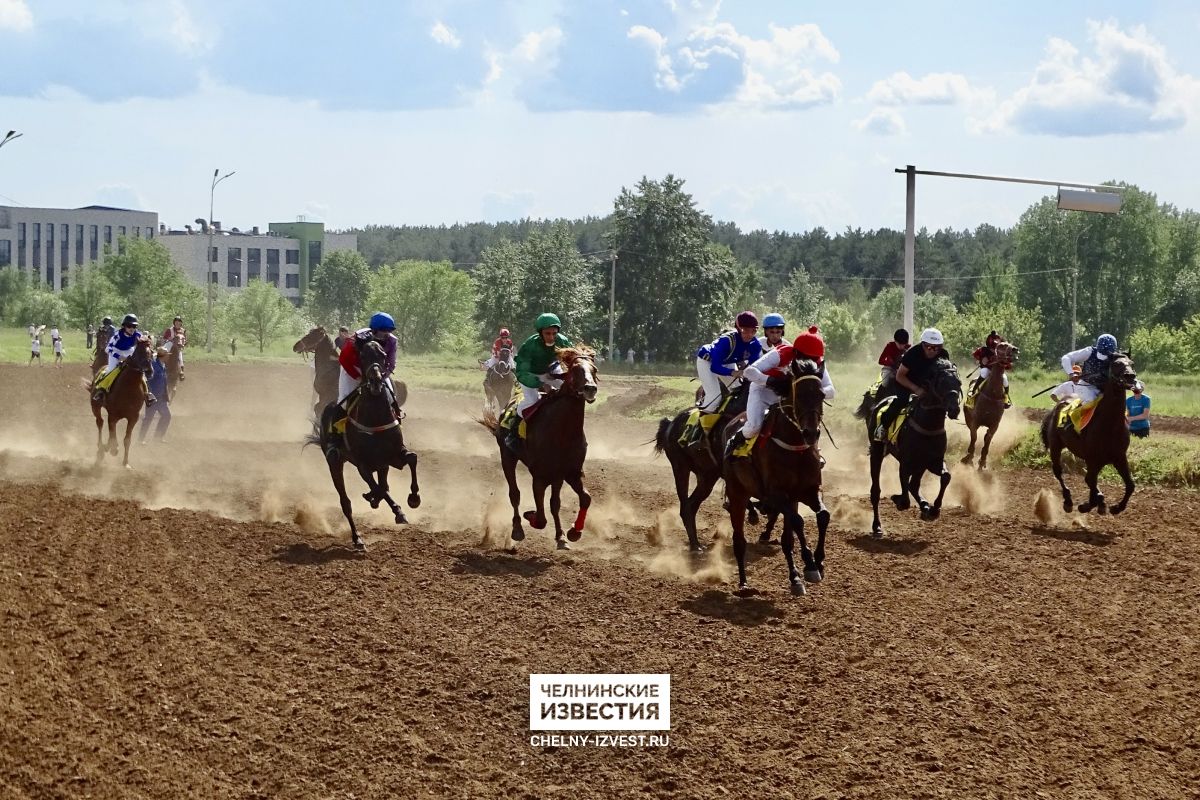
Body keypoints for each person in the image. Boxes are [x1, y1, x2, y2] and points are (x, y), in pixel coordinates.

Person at [728, 325, 835, 457]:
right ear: (796, 351)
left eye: (812, 359)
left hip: (788, 398)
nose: (807, 362)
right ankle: (733, 443)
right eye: (804, 357)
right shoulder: (782, 352)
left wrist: (814, 392)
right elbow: (748, 371)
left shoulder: (817, 362)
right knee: (754, 426)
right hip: (763, 391)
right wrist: (771, 381)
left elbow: (831, 390)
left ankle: (814, 452)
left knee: (809, 421)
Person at [681, 312, 764, 449]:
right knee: (715, 397)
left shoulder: (755, 345)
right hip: (707, 362)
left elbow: (755, 365)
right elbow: (715, 367)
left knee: (739, 389)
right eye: (745, 330)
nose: (749, 334)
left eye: (753, 331)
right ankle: (696, 433)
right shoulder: (726, 341)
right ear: (738, 329)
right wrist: (733, 372)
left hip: (727, 362)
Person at [505, 313, 573, 451]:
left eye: (554, 333)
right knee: (532, 399)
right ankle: (513, 433)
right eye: (547, 333)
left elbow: (573, 359)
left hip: (550, 372)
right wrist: (541, 384)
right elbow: (522, 372)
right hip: (529, 374)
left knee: (569, 392)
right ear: (540, 333)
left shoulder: (563, 341)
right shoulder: (530, 345)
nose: (551, 337)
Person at [874, 327, 950, 441]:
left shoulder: (943, 355)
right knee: (902, 401)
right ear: (923, 345)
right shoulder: (913, 353)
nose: (933, 351)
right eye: (930, 347)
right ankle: (883, 427)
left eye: (937, 348)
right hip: (907, 382)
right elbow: (900, 376)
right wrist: (916, 389)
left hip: (927, 384)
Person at [93, 314, 154, 404]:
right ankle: (101, 391)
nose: (131, 328)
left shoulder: (138, 334)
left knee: (140, 371)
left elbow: (145, 343)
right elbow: (107, 349)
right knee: (111, 369)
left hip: (129, 351)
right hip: (115, 351)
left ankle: (148, 393)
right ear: (124, 326)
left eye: (134, 326)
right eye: (129, 326)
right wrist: (119, 357)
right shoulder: (117, 335)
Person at [1060, 333, 1119, 405]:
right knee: (1090, 401)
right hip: (1086, 386)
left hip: (1105, 389)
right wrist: (1071, 373)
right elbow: (1066, 358)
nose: (1104, 357)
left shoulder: (1117, 358)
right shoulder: (1089, 352)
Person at [139, 345, 172, 443]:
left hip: (161, 398)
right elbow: (146, 379)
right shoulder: (153, 365)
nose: (168, 356)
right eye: (167, 355)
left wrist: (166, 394)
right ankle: (140, 439)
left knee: (167, 416)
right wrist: (148, 393)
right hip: (153, 397)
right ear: (162, 356)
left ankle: (158, 437)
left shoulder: (163, 365)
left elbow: (164, 381)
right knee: (148, 418)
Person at [970, 330, 1011, 408]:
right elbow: (975, 355)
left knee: (1005, 379)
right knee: (984, 372)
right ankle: (973, 391)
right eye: (993, 339)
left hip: (998, 372)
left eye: (996, 339)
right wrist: (981, 360)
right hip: (987, 369)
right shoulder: (984, 349)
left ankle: (1006, 398)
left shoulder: (1001, 352)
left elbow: (1008, 365)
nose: (995, 341)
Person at [161, 316, 187, 381]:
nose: (177, 323)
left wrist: (183, 343)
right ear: (174, 322)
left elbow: (185, 339)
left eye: (179, 322)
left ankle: (181, 373)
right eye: (176, 322)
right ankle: (161, 367)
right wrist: (168, 339)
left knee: (180, 358)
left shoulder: (183, 330)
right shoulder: (169, 330)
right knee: (164, 353)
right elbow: (164, 338)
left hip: (178, 346)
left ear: (181, 323)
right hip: (170, 344)